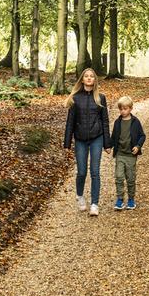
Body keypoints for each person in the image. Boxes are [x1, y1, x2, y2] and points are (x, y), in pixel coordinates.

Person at [63, 68, 112, 216]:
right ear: (82, 80)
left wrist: (107, 144)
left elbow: (105, 121)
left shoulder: (100, 98)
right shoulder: (75, 98)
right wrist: (67, 143)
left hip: (97, 138)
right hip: (80, 139)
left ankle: (95, 204)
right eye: (87, 76)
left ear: (95, 80)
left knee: (95, 171)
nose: (89, 78)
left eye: (92, 76)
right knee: (82, 172)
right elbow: (70, 122)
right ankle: (79, 196)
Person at [109, 95, 146, 211]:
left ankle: (131, 199)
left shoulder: (135, 122)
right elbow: (114, 137)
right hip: (120, 154)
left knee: (130, 178)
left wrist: (138, 146)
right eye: (121, 109)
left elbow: (142, 136)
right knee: (119, 177)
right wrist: (108, 146)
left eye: (125, 109)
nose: (123, 111)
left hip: (131, 155)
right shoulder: (117, 122)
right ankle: (120, 199)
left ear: (130, 108)